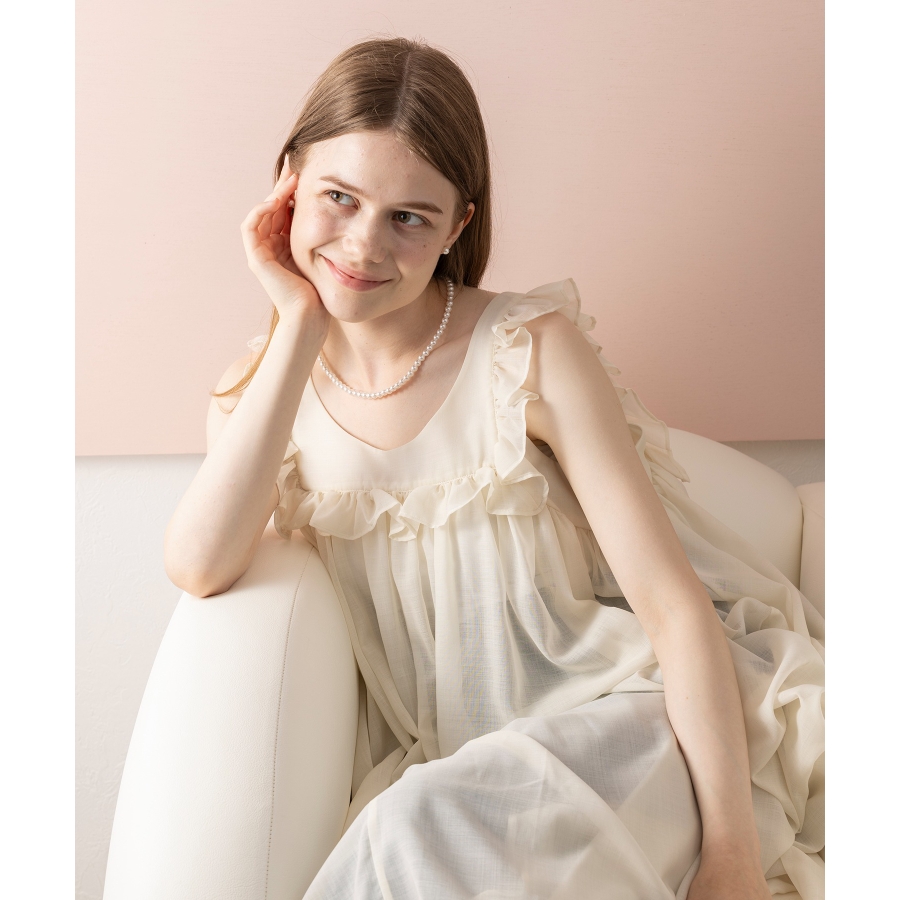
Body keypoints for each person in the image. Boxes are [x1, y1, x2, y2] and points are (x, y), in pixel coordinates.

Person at [164, 37, 824, 900]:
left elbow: (671, 606)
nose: (363, 245)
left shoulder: (528, 353)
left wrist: (730, 856)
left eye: (410, 217)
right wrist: (298, 325)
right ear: (287, 182)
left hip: (629, 721)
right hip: (470, 773)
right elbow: (199, 565)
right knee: (426, 826)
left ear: (457, 227)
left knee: (410, 829)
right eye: (338, 197)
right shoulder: (262, 394)